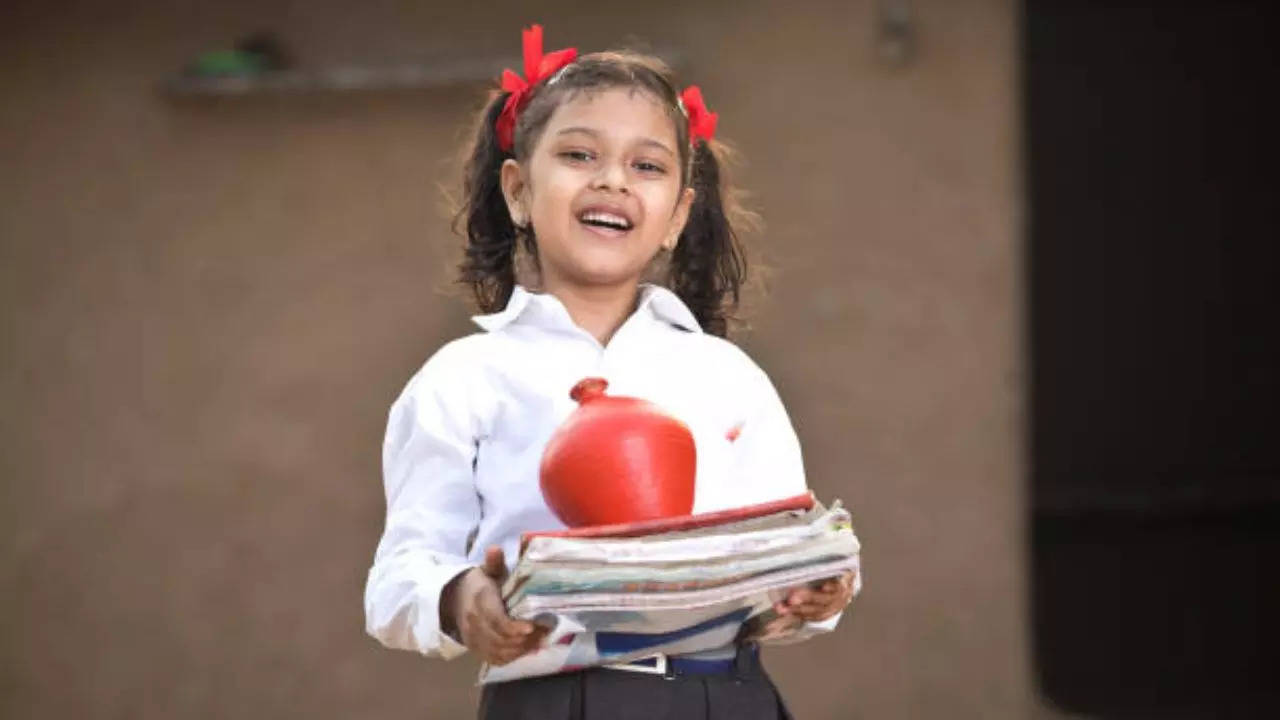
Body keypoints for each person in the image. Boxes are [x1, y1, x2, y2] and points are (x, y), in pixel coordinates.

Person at [364, 24, 859, 720]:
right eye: (577, 154)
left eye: (648, 166)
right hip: (555, 698)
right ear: (516, 191)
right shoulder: (466, 377)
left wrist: (817, 591)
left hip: (729, 695)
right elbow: (399, 576)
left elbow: (784, 545)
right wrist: (461, 597)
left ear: (678, 216)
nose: (612, 179)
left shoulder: (729, 376)